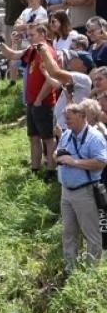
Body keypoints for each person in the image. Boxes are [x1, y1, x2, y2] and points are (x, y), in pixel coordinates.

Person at [55, 101, 107, 272]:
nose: (66, 119)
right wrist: (57, 155)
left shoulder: (94, 137)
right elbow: (58, 151)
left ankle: (92, 272)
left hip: (85, 192)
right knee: (68, 232)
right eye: (65, 116)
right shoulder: (66, 134)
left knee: (91, 233)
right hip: (66, 192)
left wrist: (74, 162)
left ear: (82, 116)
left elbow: (101, 162)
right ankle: (70, 268)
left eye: (70, 116)